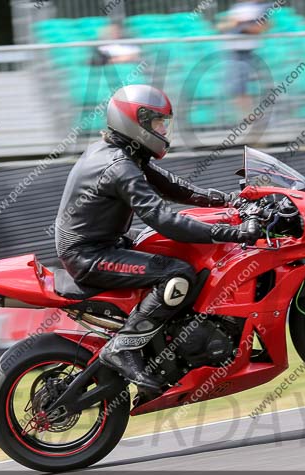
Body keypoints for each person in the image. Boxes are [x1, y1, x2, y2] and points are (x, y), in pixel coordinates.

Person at [55, 84, 260, 390]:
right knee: (177, 274)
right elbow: (165, 220)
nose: (163, 129)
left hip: (101, 243)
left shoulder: (124, 153)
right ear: (134, 122)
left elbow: (175, 187)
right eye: (157, 123)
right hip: (89, 255)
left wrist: (232, 201)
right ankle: (123, 348)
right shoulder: (119, 166)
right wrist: (234, 232)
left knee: (179, 254)